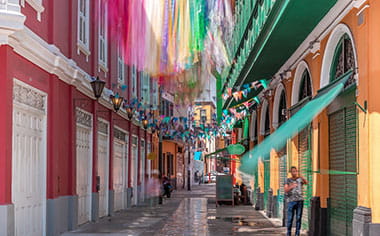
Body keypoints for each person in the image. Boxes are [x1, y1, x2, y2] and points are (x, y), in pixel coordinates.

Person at [284, 166, 308, 236]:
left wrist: (301, 176)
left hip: (300, 201)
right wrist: (291, 186)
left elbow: (306, 182)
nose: (294, 172)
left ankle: (297, 233)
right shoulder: (287, 180)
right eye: (293, 171)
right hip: (291, 201)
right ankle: (288, 233)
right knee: (290, 219)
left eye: (295, 171)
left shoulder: (299, 179)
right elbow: (286, 190)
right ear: (291, 172)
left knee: (298, 218)